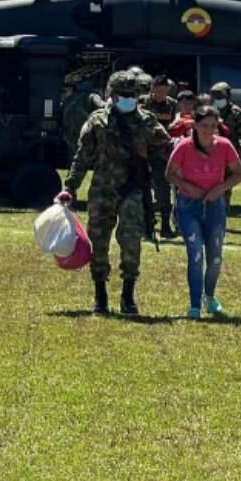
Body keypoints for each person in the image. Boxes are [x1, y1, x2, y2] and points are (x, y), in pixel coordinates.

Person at [55, 68, 171, 316]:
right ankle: (100, 295)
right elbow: (82, 157)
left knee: (131, 242)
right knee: (99, 242)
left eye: (132, 94)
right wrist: (70, 187)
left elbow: (166, 147)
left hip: (133, 190)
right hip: (103, 190)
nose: (128, 98)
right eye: (123, 94)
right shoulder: (97, 121)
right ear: (113, 95)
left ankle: (128, 294)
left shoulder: (147, 120)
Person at [165, 105, 241, 318]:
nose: (209, 130)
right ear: (195, 126)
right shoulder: (184, 147)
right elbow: (169, 173)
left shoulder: (225, 146)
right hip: (188, 205)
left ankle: (209, 297)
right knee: (196, 253)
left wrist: (220, 188)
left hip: (214, 205)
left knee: (215, 256)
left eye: (213, 126)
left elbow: (239, 173)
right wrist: (188, 187)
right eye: (204, 126)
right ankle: (194, 305)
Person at [139, 74, 180, 238]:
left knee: (163, 190)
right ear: (153, 89)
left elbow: (177, 121)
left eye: (166, 91)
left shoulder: (172, 104)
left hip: (163, 154)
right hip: (144, 152)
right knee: (143, 190)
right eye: (160, 91)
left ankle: (165, 226)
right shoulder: (144, 103)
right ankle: (147, 226)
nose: (163, 94)